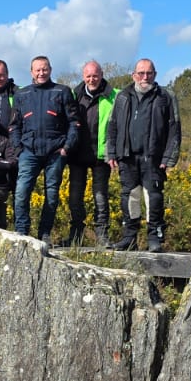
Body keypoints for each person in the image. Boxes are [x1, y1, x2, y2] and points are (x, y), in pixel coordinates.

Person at [106, 59, 181, 252]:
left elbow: (174, 129)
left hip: (154, 157)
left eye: (149, 73)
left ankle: (154, 238)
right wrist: (111, 152)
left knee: (153, 197)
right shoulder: (122, 96)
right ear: (134, 75)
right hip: (127, 156)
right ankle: (129, 238)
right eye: (141, 73)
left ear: (155, 74)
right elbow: (112, 125)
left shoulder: (166, 96)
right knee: (129, 197)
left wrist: (169, 157)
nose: (145, 77)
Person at [8, 56, 79, 240]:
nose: (41, 73)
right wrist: (18, 149)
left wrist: (66, 147)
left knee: (52, 195)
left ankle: (44, 233)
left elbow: (74, 122)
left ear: (50, 70)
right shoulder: (21, 95)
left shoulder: (62, 91)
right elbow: (14, 126)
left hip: (55, 152)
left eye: (44, 69)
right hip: (28, 151)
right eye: (38, 70)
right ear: (31, 72)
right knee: (21, 192)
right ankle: (22, 231)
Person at [68, 60, 119, 246]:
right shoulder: (73, 95)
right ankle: (76, 235)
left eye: (95, 75)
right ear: (83, 76)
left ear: (102, 75)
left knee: (100, 196)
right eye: (88, 76)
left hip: (101, 154)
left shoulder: (115, 96)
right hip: (77, 154)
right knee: (75, 196)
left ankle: (102, 235)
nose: (92, 79)